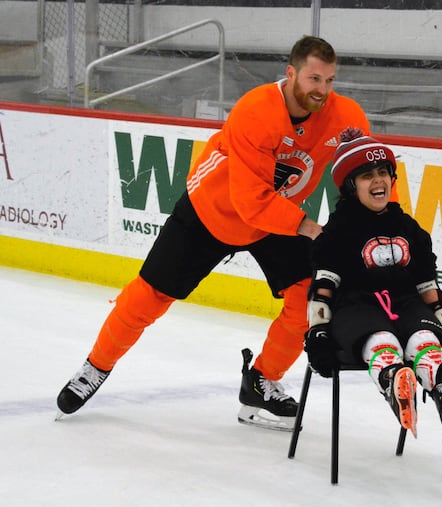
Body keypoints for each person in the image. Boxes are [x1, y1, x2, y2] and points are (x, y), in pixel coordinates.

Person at [55, 36, 371, 431]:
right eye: (313, 79)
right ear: (290, 74)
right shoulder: (256, 111)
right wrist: (311, 229)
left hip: (276, 216)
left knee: (310, 295)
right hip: (213, 210)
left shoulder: (346, 116)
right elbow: (250, 202)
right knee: (149, 296)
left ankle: (261, 381)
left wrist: (360, 222)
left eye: (329, 80)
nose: (321, 90)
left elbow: (361, 171)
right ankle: (94, 367)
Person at [303, 127, 442, 439]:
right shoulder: (339, 231)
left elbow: (428, 287)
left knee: (423, 333)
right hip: (355, 306)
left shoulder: (407, 227)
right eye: (367, 175)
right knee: (379, 334)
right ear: (350, 186)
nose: (378, 181)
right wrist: (317, 333)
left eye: (383, 172)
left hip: (404, 302)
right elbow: (323, 287)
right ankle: (392, 379)